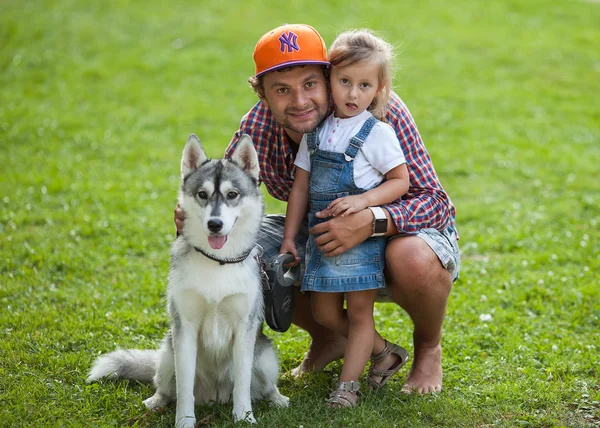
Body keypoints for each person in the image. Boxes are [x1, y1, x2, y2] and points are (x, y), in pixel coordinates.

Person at [175, 23, 460, 395]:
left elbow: (436, 203)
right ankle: (328, 338)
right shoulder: (257, 127)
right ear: (262, 94)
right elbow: (230, 198)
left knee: (413, 257)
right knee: (256, 251)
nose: (299, 101)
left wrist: (371, 221)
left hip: (397, 237)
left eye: (310, 84)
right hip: (320, 233)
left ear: (328, 78)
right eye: (281, 90)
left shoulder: (378, 111)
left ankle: (427, 348)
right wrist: (189, 217)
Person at [279, 29, 410, 407]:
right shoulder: (315, 133)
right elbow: (300, 189)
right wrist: (290, 237)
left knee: (358, 314)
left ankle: (347, 387)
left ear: (379, 89)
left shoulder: (378, 132)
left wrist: (366, 202)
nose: (353, 94)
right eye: (344, 81)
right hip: (321, 240)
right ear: (329, 80)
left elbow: (400, 181)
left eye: (364, 85)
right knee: (323, 311)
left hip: (361, 241)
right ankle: (384, 351)